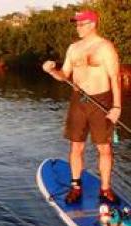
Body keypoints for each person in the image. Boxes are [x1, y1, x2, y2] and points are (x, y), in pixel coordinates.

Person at [42, 10, 121, 204]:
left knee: (104, 149)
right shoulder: (73, 48)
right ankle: (75, 187)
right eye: (76, 24)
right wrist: (52, 70)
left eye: (81, 23)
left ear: (93, 24)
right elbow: (65, 75)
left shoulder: (105, 47)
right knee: (76, 145)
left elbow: (115, 77)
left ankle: (105, 189)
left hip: (101, 101)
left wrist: (117, 106)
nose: (77, 27)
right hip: (78, 100)